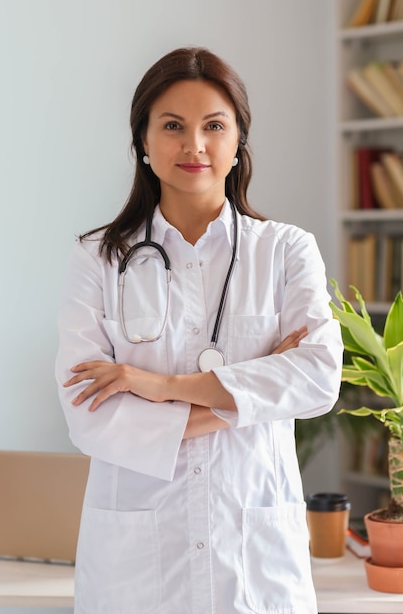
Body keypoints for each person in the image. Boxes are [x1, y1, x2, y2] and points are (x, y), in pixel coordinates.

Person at [55, 46, 343, 614]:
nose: (195, 146)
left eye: (214, 125)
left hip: (253, 558)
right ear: (142, 141)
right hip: (137, 569)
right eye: (172, 126)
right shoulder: (99, 259)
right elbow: (89, 415)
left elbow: (316, 380)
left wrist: (158, 386)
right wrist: (252, 396)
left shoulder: (285, 251)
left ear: (238, 142)